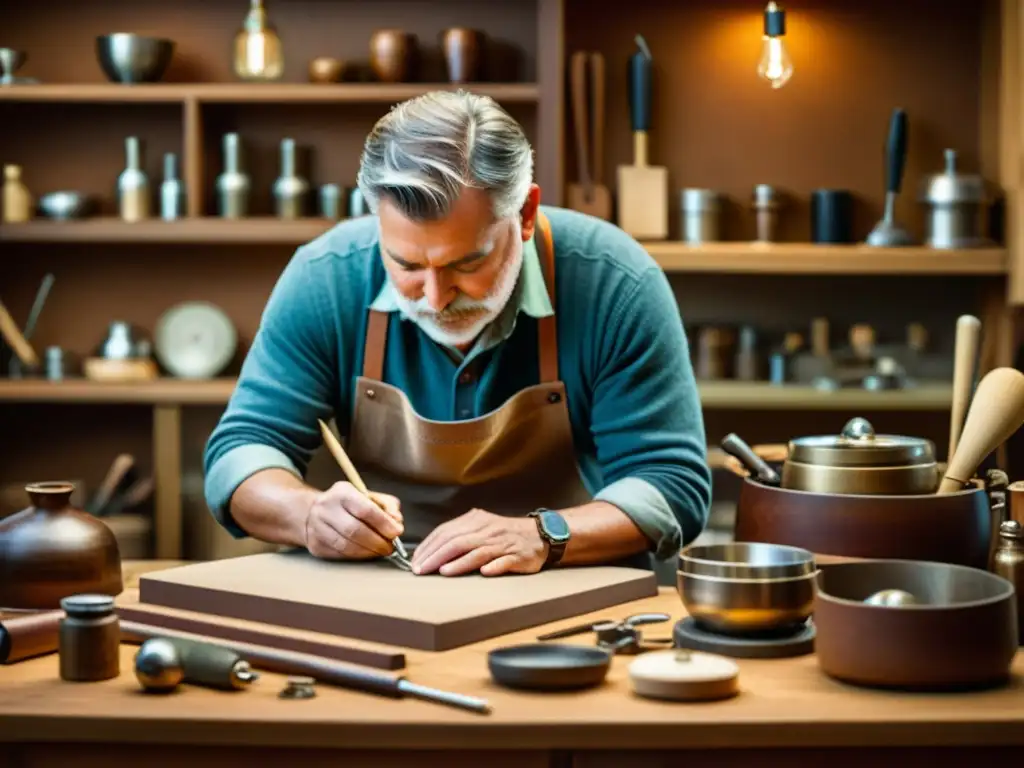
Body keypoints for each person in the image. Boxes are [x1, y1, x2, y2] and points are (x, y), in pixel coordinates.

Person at [203, 90, 711, 577]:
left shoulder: (614, 282)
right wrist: (309, 515)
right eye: (405, 264)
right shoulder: (325, 277)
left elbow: (670, 485)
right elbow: (242, 452)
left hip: (566, 585)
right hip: (380, 584)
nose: (436, 296)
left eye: (468, 262)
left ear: (526, 214)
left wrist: (545, 535)